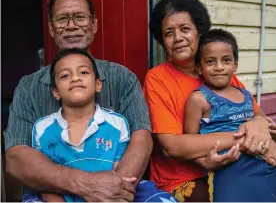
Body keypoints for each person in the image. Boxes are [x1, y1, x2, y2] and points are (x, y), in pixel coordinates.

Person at [4, 0, 153, 202]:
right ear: (51, 28)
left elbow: (142, 138)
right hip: (50, 195)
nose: (72, 26)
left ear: (94, 24)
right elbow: (16, 157)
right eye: (63, 18)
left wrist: (113, 193)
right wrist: (87, 185)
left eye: (80, 17)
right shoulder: (29, 87)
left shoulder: (122, 78)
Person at [143, 0, 276, 202]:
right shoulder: (158, 78)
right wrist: (245, 138)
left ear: (199, 32)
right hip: (183, 177)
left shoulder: (217, 72)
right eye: (169, 33)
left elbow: (256, 113)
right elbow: (172, 146)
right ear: (162, 41)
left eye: (185, 29)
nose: (178, 38)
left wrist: (259, 125)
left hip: (237, 165)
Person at [28, 48, 177, 202]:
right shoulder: (43, 128)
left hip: (110, 196)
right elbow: (44, 181)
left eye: (84, 72)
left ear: (98, 84)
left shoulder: (116, 124)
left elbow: (120, 176)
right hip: (62, 196)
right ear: (55, 92)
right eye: (65, 75)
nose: (75, 78)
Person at [184, 29, 276, 201]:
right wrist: (205, 162)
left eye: (226, 60)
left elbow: (263, 125)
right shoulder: (199, 99)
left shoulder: (246, 95)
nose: (219, 67)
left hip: (261, 158)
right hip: (227, 166)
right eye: (210, 61)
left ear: (235, 64)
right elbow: (190, 145)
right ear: (199, 67)